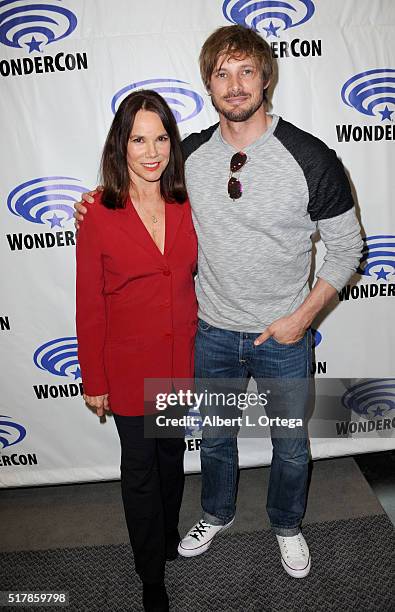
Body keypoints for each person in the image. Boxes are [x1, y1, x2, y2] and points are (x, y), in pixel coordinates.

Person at [75, 25, 363, 582]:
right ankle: (217, 512)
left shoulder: (310, 156)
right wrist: (91, 205)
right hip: (208, 334)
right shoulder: (188, 157)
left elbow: (349, 247)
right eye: (221, 74)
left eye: (245, 72)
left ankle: (286, 524)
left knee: (291, 446)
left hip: (283, 335)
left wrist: (300, 319)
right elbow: (136, 194)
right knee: (214, 438)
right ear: (208, 84)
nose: (234, 86)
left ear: (265, 77)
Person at [75, 90, 198, 612]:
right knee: (141, 469)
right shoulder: (99, 212)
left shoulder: (189, 200)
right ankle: (151, 575)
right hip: (127, 368)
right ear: (120, 145)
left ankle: (168, 537)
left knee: (171, 457)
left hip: (179, 363)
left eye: (162, 137)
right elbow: (89, 305)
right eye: (138, 139)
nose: (152, 151)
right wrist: (94, 379)